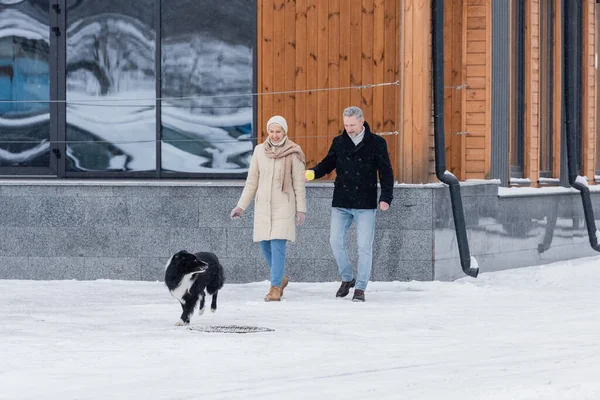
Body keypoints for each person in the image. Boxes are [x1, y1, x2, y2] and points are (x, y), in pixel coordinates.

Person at [306, 106, 394, 302]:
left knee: (364, 247)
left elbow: (386, 172)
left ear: (362, 122)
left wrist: (386, 197)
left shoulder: (377, 143)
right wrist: (312, 173)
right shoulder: (339, 142)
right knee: (335, 241)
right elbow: (328, 163)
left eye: (352, 125)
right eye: (346, 125)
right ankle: (347, 278)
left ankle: (360, 287)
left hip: (365, 203)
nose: (349, 129)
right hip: (342, 201)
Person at [230, 116, 307, 302]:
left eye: (278, 131)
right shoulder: (259, 151)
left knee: (277, 245)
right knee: (264, 244)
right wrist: (241, 206)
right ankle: (280, 277)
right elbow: (252, 182)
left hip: (284, 205)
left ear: (285, 132)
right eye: (271, 131)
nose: (275, 135)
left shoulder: (294, 152)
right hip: (263, 206)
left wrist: (301, 209)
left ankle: (275, 288)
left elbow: (299, 183)